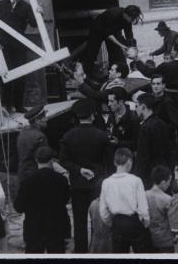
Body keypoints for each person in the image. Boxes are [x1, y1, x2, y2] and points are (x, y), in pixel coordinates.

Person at [130, 39, 178, 169]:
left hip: (167, 98)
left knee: (163, 126)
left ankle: (163, 155)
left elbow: (148, 73)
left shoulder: (166, 66)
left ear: (174, 51)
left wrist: (137, 59)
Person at [59, 98, 111, 253]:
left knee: (79, 219)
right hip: (98, 183)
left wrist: (79, 169)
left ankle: (81, 250)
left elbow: (63, 161)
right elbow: (109, 162)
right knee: (98, 217)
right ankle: (97, 249)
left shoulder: (68, 136)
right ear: (93, 116)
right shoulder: (102, 136)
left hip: (78, 183)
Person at [14, 146, 70, 253]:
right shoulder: (61, 180)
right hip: (56, 227)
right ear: (52, 161)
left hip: (34, 228)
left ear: (36, 160)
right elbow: (66, 199)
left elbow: (18, 207)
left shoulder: (27, 182)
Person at [70, 5, 142, 81]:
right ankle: (88, 76)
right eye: (131, 18)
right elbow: (107, 34)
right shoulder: (113, 14)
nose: (131, 20)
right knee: (92, 52)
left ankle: (114, 74)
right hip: (98, 29)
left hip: (114, 31)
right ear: (126, 14)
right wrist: (121, 45)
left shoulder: (128, 18)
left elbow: (129, 34)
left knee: (116, 53)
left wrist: (131, 47)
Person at [99, 148, 151, 253]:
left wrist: (111, 223)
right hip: (133, 221)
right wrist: (146, 221)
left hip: (117, 222)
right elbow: (143, 206)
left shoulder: (106, 182)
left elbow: (103, 210)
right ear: (129, 161)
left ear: (115, 162)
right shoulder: (136, 180)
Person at [134, 93, 172, 188]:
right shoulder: (162, 123)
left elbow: (143, 156)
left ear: (143, 107)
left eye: (137, 106)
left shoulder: (145, 128)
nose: (135, 109)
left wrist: (137, 176)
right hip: (163, 169)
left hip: (149, 174)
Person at [149, 74, 178, 173]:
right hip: (153, 142)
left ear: (164, 86)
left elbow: (176, 123)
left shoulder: (168, 102)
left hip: (166, 143)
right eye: (153, 84)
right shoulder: (150, 100)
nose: (156, 86)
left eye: (158, 83)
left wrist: (161, 129)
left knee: (166, 172)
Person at [105, 87, 140, 175]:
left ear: (120, 102)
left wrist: (119, 143)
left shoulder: (133, 118)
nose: (108, 104)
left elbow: (136, 143)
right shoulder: (111, 115)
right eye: (108, 101)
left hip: (127, 162)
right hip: (112, 160)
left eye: (112, 101)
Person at [17, 105, 49, 185]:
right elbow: (45, 158)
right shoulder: (40, 136)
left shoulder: (22, 134)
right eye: (44, 117)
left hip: (22, 174)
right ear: (37, 120)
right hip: (36, 175)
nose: (46, 119)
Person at [145, 166, 174, 252]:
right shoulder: (167, 199)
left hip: (148, 237)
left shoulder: (144, 195)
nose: (169, 184)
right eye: (169, 181)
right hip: (165, 240)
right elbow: (172, 220)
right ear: (163, 182)